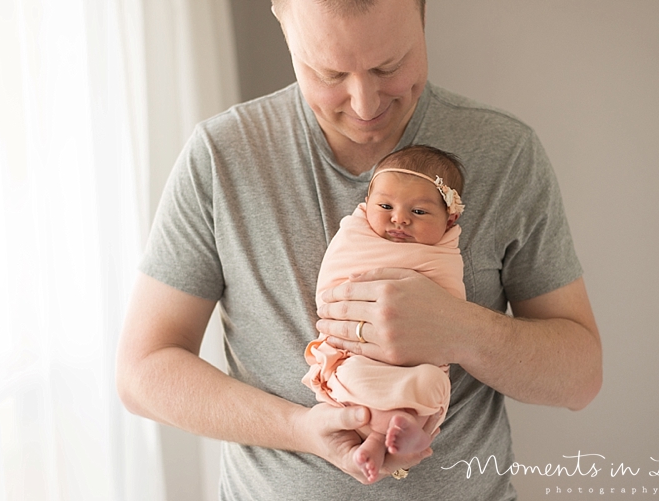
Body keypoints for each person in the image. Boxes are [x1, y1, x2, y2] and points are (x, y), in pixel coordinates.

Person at [116, 0, 602, 499]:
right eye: (328, 73)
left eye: (389, 67)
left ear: (424, 14)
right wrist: (301, 430)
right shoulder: (221, 156)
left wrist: (460, 331)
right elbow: (144, 372)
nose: (365, 104)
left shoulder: (504, 151)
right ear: (281, 20)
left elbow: (580, 377)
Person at [302, 145, 466, 482]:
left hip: (417, 362)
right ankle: (388, 435)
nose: (400, 218)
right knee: (356, 375)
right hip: (359, 356)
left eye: (419, 211)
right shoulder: (356, 234)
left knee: (432, 382)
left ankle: (385, 438)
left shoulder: (445, 253)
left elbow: (451, 312)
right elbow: (332, 288)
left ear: (450, 219)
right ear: (367, 205)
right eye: (386, 206)